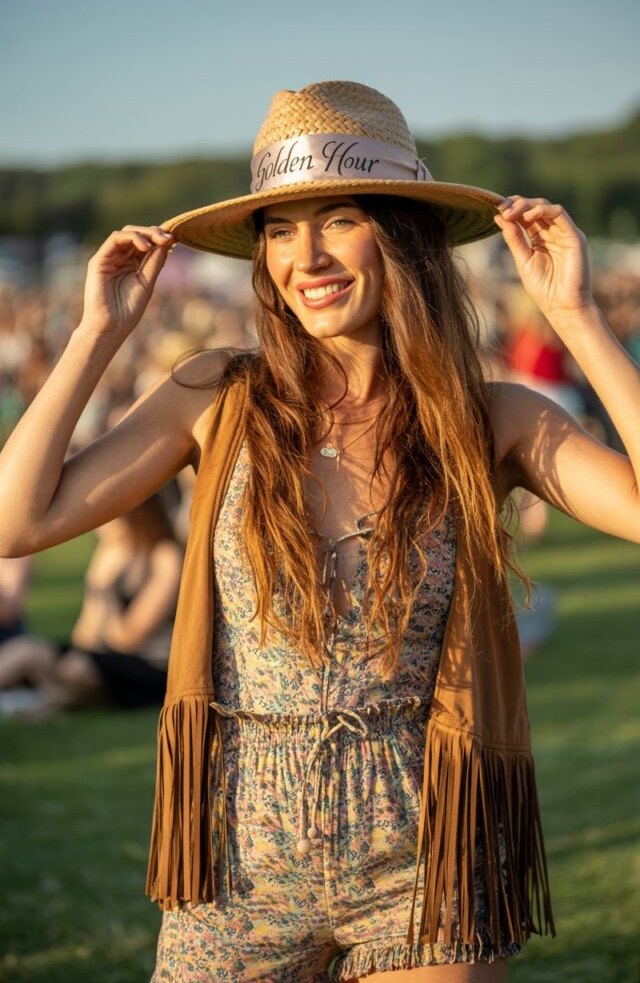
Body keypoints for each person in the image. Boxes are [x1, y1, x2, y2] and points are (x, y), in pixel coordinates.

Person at [0, 81, 637, 982]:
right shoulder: (218, 395)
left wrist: (574, 316)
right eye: (281, 229)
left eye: (338, 219)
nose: (308, 256)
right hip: (236, 856)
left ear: (401, 233)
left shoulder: (488, 416)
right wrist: (96, 333)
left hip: (426, 851)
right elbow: (15, 523)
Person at [0, 493, 182, 720]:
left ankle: (48, 697)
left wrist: (104, 590)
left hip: (150, 664)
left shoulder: (165, 557)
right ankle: (50, 695)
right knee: (24, 650)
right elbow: (84, 638)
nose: (99, 525)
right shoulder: (112, 554)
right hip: (103, 656)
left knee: (77, 668)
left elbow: (127, 638)